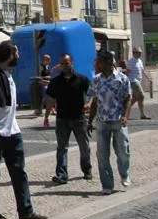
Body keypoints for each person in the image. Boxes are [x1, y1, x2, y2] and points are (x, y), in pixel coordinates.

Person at [0, 40, 46, 219]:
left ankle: (26, 211)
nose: (19, 57)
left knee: (19, 172)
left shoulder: (9, 75)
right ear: (10, 56)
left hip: (13, 131)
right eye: (17, 53)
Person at [89, 50, 132, 195]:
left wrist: (126, 116)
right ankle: (107, 184)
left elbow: (128, 98)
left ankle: (124, 173)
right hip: (102, 121)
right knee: (102, 155)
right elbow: (94, 101)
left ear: (108, 63)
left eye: (99, 62)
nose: (97, 64)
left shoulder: (122, 79)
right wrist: (90, 121)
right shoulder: (96, 80)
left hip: (118, 120)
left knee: (123, 151)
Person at [46, 54, 92, 184]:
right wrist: (46, 116)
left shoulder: (82, 79)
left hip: (79, 118)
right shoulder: (56, 82)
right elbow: (50, 99)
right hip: (62, 119)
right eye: (62, 64)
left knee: (84, 146)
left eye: (66, 63)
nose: (64, 66)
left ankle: (87, 169)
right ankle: (62, 175)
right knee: (62, 147)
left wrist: (88, 103)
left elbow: (92, 93)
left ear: (72, 63)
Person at [126, 47, 152, 120]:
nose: (140, 54)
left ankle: (125, 111)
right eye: (138, 53)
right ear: (134, 53)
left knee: (135, 98)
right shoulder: (131, 61)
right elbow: (127, 72)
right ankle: (142, 114)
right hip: (133, 81)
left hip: (138, 80)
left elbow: (143, 71)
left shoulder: (140, 61)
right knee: (141, 96)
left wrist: (148, 78)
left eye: (140, 52)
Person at [40, 54, 53, 128]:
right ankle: (41, 109)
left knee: (48, 97)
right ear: (45, 59)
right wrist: (46, 77)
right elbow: (40, 76)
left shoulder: (48, 67)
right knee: (47, 96)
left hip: (48, 83)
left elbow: (50, 76)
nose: (49, 61)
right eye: (48, 59)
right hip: (43, 83)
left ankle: (52, 109)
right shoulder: (42, 66)